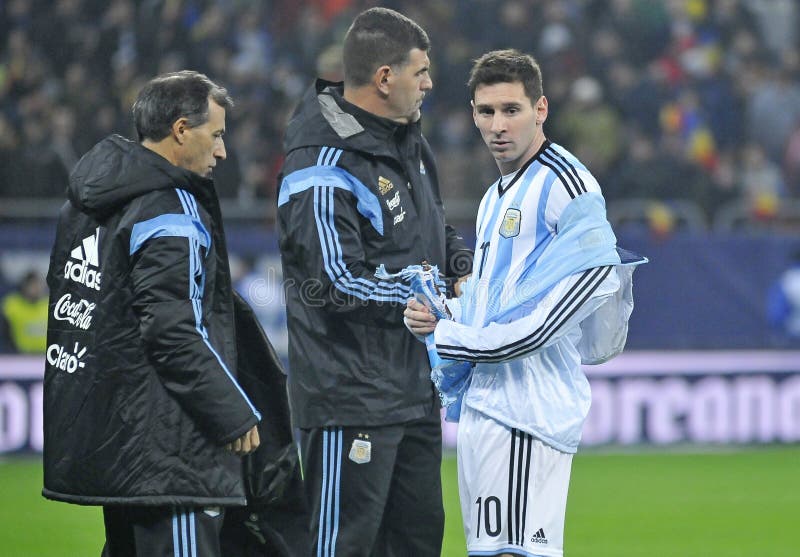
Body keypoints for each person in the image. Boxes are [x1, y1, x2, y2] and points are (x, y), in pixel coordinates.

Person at [405, 50, 644, 557]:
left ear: (541, 110)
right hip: (489, 403)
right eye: (486, 111)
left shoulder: (565, 182)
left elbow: (583, 288)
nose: (498, 125)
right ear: (472, 114)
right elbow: (496, 305)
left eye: (512, 110)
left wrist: (449, 337)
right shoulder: (495, 196)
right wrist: (441, 315)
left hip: (526, 411)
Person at [277, 7, 472, 556]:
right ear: (385, 78)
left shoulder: (407, 141)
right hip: (350, 399)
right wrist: (419, 289)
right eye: (421, 71)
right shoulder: (321, 161)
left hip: (413, 391)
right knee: (342, 548)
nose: (431, 83)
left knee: (415, 544)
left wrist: (462, 267)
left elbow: (430, 230)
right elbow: (332, 279)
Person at [42, 71, 262, 557]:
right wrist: (230, 409)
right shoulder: (169, 207)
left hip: (123, 437)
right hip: (172, 452)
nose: (223, 151)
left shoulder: (90, 202)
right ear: (182, 130)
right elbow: (170, 329)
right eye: (217, 134)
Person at [0, 270, 48, 353]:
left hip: (46, 355)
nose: (36, 289)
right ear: (25, 286)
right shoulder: (11, 305)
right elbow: (4, 334)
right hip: (20, 357)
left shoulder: (50, 304)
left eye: (38, 285)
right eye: (32, 285)